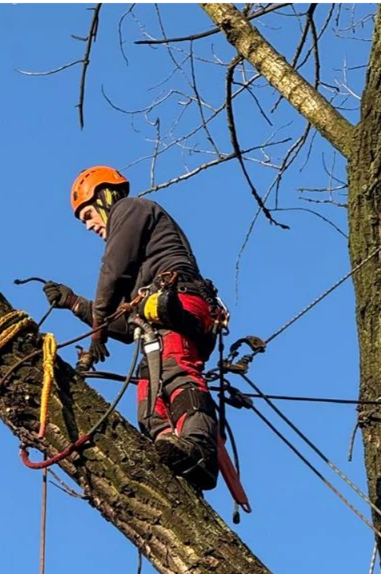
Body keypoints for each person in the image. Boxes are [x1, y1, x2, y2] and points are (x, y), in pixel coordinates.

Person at [41, 165, 235, 493]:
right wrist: (75, 303)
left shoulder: (130, 209)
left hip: (180, 304)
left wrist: (97, 332)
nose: (88, 225)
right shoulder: (139, 261)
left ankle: (199, 447)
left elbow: (112, 272)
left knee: (175, 373)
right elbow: (126, 324)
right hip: (155, 321)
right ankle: (172, 451)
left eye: (88, 214)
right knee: (148, 401)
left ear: (104, 197)